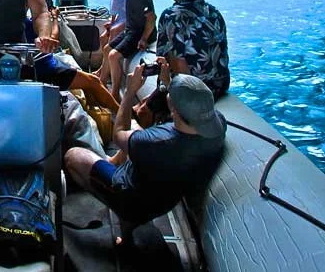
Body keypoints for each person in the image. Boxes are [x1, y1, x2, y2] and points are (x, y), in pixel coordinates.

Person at [64, 63, 226, 235]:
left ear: (175, 111)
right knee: (136, 130)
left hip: (132, 199)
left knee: (72, 156)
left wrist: (129, 92)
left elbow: (118, 135)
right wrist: (165, 85)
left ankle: (122, 213)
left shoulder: (155, 142)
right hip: (165, 200)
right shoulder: (218, 127)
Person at [135, 0, 229, 128]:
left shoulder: (172, 16)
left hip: (194, 91)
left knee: (143, 112)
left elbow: (178, 65)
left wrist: (167, 93)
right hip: (220, 85)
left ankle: (142, 146)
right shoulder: (214, 12)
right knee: (144, 102)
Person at [102, 0, 157, 101]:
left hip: (137, 33)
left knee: (113, 56)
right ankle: (102, 81)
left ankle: (114, 93)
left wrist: (144, 38)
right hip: (130, 30)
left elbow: (151, 18)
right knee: (107, 48)